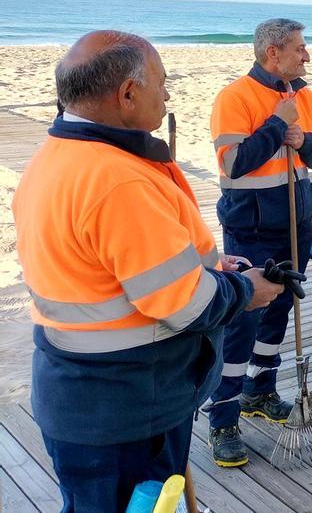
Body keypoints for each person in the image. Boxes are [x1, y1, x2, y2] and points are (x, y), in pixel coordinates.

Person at [12, 31, 283, 511]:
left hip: (83, 395)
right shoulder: (117, 179)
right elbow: (184, 303)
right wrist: (246, 290)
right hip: (127, 408)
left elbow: (118, 266)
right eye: (162, 81)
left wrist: (217, 267)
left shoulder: (57, 157)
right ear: (128, 94)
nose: (169, 93)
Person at [206, 18, 312, 467]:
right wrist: (276, 127)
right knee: (243, 319)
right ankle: (222, 418)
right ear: (272, 53)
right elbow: (235, 163)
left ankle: (259, 390)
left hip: (297, 223)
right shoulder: (234, 97)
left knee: (281, 308)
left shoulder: (302, 93)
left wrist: (302, 141)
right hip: (251, 229)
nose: (307, 55)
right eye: (300, 48)